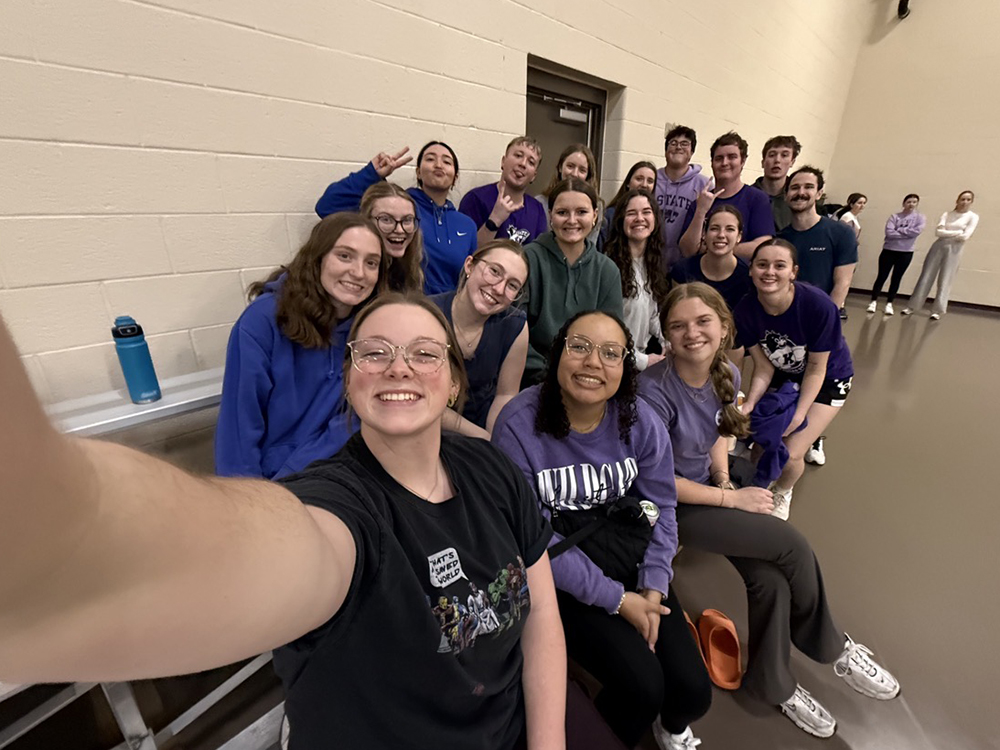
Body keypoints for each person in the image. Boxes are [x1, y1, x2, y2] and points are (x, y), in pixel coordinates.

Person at [0, 293, 575, 749]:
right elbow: (266, 553)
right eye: (374, 351)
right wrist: (57, 535)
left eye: (425, 353)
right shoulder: (337, 507)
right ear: (350, 380)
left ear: (452, 381)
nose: (398, 366)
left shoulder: (489, 468)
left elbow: (541, 612)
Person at [639, 282, 900, 739]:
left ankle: (772, 683)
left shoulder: (726, 373)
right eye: (678, 326)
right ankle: (832, 646)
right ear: (666, 335)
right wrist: (731, 499)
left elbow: (718, 436)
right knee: (790, 545)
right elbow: (655, 482)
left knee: (770, 581)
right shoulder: (652, 392)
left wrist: (723, 478)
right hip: (668, 505)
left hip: (709, 488)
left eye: (703, 322)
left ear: (724, 328)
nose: (691, 333)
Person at [493, 311, 712, 750]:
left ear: (624, 367)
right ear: (558, 354)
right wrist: (617, 601)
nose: (593, 363)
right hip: (560, 574)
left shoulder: (639, 419)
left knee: (692, 692)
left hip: (626, 553)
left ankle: (668, 729)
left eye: (611, 354)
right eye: (579, 347)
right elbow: (530, 536)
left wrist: (653, 585)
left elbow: (661, 505)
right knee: (642, 688)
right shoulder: (519, 425)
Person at [215, 213, 386, 480]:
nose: (359, 272)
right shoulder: (263, 321)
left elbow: (357, 416)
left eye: (371, 262)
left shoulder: (372, 326)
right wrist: (249, 500)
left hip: (340, 469)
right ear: (318, 257)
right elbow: (239, 427)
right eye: (344, 256)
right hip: (271, 481)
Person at [734, 239, 855, 520]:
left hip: (828, 378)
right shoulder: (745, 310)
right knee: (763, 442)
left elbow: (816, 368)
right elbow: (763, 367)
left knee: (790, 450)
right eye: (762, 265)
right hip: (785, 374)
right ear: (751, 270)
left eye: (780, 265)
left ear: (793, 271)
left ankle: (784, 490)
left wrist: (799, 416)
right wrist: (750, 402)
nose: (769, 272)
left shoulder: (818, 305)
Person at [316, 141, 477, 295]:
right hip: (397, 304)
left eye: (447, 162)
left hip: (445, 313)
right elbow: (327, 207)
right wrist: (371, 174)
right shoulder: (395, 208)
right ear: (418, 172)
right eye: (430, 159)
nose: (438, 165)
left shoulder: (466, 225)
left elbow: (468, 277)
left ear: (455, 176)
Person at [520, 178, 624, 386]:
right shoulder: (528, 258)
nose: (572, 220)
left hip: (586, 377)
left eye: (581, 212)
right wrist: (547, 373)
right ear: (550, 216)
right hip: (530, 376)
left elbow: (611, 336)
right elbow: (513, 326)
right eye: (562, 212)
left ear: (595, 216)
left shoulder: (607, 270)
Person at [430, 239, 530, 435]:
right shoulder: (428, 315)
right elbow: (424, 400)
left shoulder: (514, 325)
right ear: (469, 265)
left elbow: (505, 396)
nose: (499, 289)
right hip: (428, 429)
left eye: (512, 285)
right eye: (494, 271)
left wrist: (496, 444)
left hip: (483, 430)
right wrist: (483, 438)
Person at [313, 148, 425, 293]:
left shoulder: (407, 269)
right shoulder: (351, 276)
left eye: (407, 220)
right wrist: (370, 174)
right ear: (366, 221)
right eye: (386, 219)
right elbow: (326, 206)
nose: (399, 229)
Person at [601, 189, 671, 371]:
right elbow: (605, 328)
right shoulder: (608, 266)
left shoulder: (652, 263)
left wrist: (669, 340)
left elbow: (652, 314)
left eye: (646, 212)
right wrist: (643, 361)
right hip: (613, 362)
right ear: (620, 221)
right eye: (631, 213)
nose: (640, 218)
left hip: (638, 362)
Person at [679, 131, 775, 260]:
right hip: (700, 277)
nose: (724, 163)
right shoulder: (700, 203)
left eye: (732, 157)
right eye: (719, 158)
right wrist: (701, 212)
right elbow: (687, 251)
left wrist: (717, 247)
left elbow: (763, 246)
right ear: (712, 163)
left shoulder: (757, 199)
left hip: (741, 278)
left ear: (742, 161)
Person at [903, 190, 980, 320]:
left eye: (968, 200)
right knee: (926, 276)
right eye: (962, 199)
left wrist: (951, 232)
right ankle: (913, 306)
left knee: (946, 279)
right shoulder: (947, 214)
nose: (964, 202)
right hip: (939, 246)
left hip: (955, 249)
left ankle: (937, 309)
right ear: (957, 200)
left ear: (971, 202)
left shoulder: (973, 217)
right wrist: (957, 232)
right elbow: (939, 232)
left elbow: (965, 236)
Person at [459, 137, 547, 246]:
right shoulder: (475, 199)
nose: (523, 164)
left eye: (531, 162)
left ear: (534, 176)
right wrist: (494, 220)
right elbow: (466, 252)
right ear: (503, 161)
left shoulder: (537, 209)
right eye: (518, 155)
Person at [670, 205, 752, 314]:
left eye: (730, 229)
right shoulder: (682, 270)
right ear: (704, 233)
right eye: (714, 228)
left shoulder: (747, 278)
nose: (721, 235)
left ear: (739, 237)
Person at [654, 125, 711, 273]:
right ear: (665, 151)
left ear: (692, 152)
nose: (678, 147)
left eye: (685, 144)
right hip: (651, 262)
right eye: (673, 143)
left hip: (685, 265)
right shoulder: (652, 179)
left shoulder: (704, 185)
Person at [867, 194, 926, 315]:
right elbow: (889, 232)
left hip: (906, 252)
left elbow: (916, 232)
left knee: (896, 278)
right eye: (909, 202)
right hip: (889, 250)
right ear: (904, 203)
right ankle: (873, 301)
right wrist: (906, 234)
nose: (911, 204)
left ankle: (889, 303)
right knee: (882, 276)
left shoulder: (920, 218)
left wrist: (899, 230)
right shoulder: (895, 217)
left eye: (914, 202)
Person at [541, 144, 604, 243]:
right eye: (570, 166)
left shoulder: (597, 205)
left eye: (582, 170)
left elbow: (590, 245)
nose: (574, 173)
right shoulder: (541, 202)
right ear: (560, 167)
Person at [597, 160, 658, 251]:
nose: (644, 185)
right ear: (628, 183)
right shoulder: (610, 215)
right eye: (639, 179)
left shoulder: (655, 216)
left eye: (650, 181)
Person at [752, 135, 802, 232]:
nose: (777, 160)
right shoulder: (748, 196)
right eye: (772, 155)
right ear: (763, 162)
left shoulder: (798, 199)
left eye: (784, 155)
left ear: (792, 162)